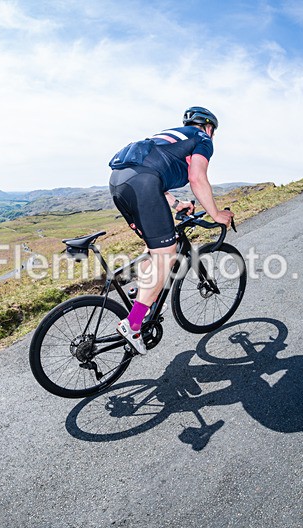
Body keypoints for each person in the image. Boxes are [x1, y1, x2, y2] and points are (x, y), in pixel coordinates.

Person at [108, 106, 234, 354]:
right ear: (209, 127)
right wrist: (217, 214)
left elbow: (151, 174)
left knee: (157, 249)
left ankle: (140, 292)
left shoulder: (168, 137)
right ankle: (133, 325)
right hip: (143, 184)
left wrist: (178, 204)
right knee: (167, 256)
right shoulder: (202, 139)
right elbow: (197, 178)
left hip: (119, 184)